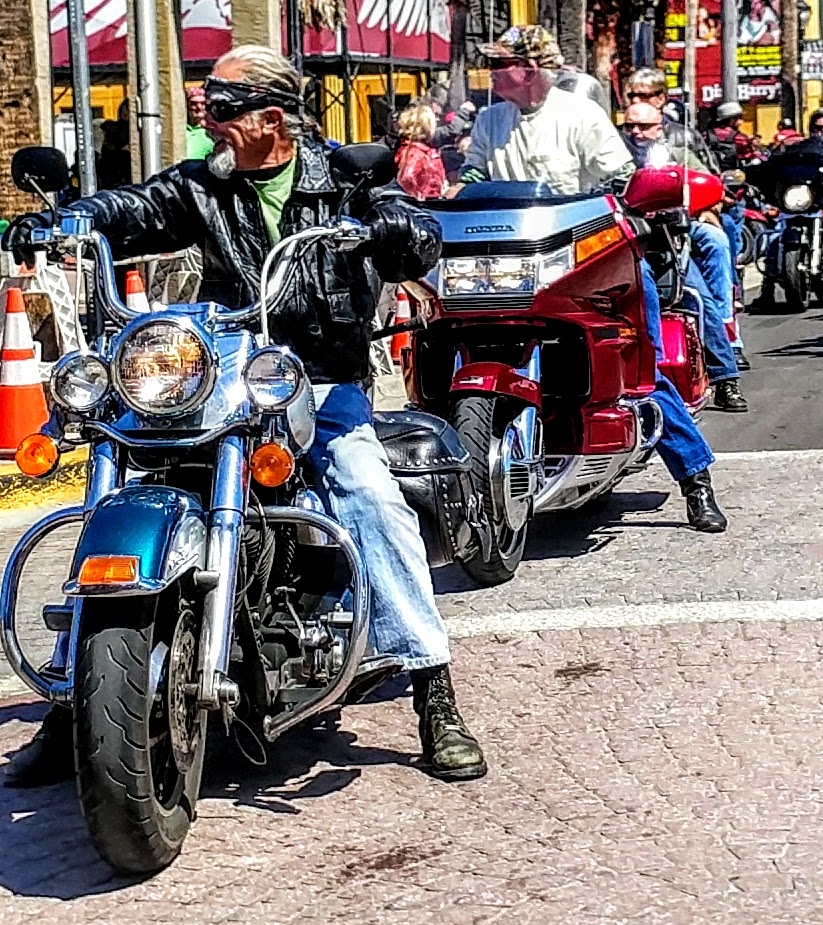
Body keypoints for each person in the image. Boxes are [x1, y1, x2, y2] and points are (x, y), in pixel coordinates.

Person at [3, 44, 486, 788]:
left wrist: (395, 234)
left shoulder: (342, 183)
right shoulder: (204, 186)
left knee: (365, 488)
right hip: (226, 373)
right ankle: (74, 701)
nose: (210, 121)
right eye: (206, 106)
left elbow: (411, 231)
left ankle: (432, 687)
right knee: (120, 468)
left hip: (319, 381)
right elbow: (136, 208)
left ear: (272, 116)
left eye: (223, 108)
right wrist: (68, 219)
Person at [457, 25, 727, 533]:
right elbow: (472, 177)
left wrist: (617, 198)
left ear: (533, 68)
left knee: (635, 363)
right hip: (513, 259)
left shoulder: (578, 114)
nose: (492, 74)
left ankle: (696, 479)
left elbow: (622, 179)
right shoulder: (491, 120)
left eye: (502, 64)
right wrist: (449, 190)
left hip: (587, 256)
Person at [621, 102, 751, 400]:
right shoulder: (610, 153)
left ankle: (725, 377)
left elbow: (708, 185)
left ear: (659, 127)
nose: (636, 133)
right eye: (630, 126)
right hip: (620, 237)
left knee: (695, 294)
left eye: (643, 127)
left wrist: (699, 205)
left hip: (666, 235)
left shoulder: (676, 151)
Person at [394, 101, 447, 200]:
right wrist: (418, 199)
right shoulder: (414, 152)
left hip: (433, 204)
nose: (438, 120)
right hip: (423, 207)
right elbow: (406, 179)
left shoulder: (425, 151)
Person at [185, 85, 215, 160]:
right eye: (193, 104)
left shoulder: (214, 130)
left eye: (202, 103)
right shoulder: (178, 130)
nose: (199, 107)